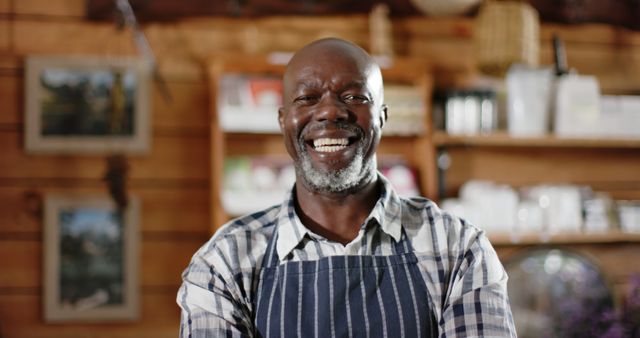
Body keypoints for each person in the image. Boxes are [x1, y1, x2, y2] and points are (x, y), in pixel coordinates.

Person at [177, 37, 517, 337]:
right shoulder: (224, 263)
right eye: (307, 97)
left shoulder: (457, 250)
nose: (329, 112)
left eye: (353, 96)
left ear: (382, 118)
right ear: (283, 121)